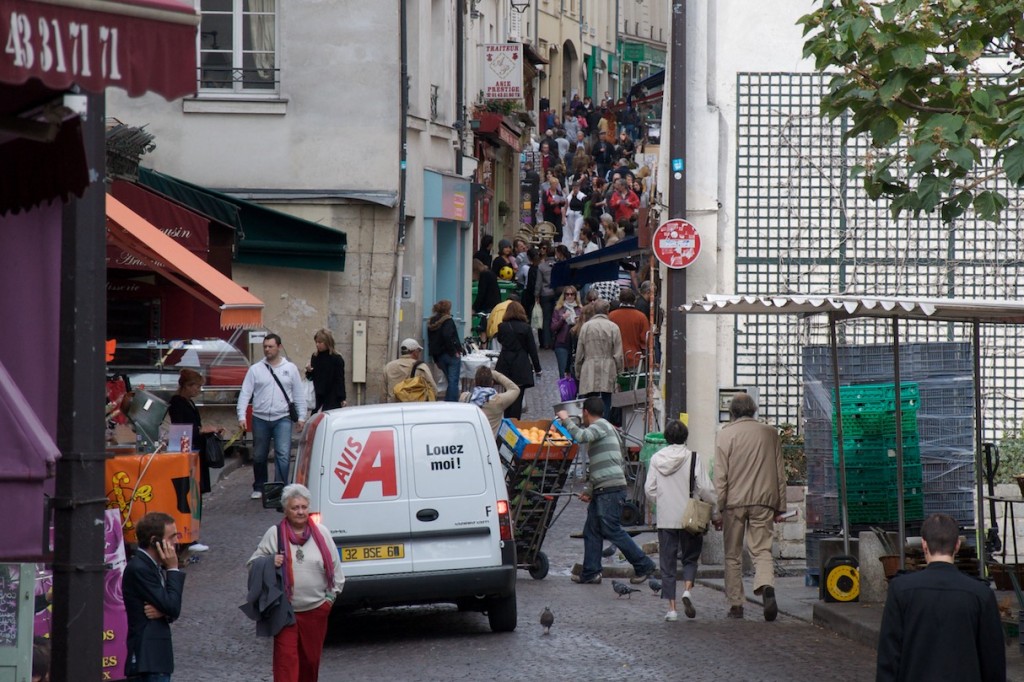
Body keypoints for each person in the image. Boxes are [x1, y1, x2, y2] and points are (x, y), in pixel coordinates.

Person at [876, 513, 1005, 681]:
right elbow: (993, 662)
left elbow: (889, 658)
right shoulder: (981, 594)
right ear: (957, 545)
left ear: (924, 545)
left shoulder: (900, 590)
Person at [248, 484, 344, 682]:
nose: (300, 512)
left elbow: (336, 571)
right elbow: (252, 564)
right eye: (295, 507)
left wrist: (329, 599)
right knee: (286, 665)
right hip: (285, 612)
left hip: (316, 610)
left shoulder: (322, 533)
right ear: (286, 510)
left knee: (310, 662)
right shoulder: (274, 534)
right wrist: (270, 561)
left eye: (303, 507)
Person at [557, 396, 656, 585]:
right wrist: (590, 491)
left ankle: (644, 565)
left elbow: (580, 436)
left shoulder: (600, 426)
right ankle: (591, 572)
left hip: (610, 490)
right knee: (592, 530)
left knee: (612, 530)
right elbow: (601, 466)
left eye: (582, 414)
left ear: (586, 412)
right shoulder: (605, 429)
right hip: (605, 488)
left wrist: (565, 419)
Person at [714, 392, 786, 621]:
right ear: (754, 410)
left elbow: (720, 477)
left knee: (732, 554)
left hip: (734, 502)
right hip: (763, 500)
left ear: (732, 412)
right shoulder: (770, 433)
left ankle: (736, 604)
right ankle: (766, 585)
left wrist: (719, 507)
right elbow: (779, 472)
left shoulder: (725, 435)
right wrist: (780, 506)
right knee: (762, 549)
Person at [644, 420, 719, 621]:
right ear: (685, 437)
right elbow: (705, 489)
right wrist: (715, 511)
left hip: (666, 518)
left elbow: (649, 489)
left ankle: (672, 609)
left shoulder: (656, 458)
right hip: (690, 517)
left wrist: (661, 502)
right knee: (690, 557)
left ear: (666, 438)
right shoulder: (693, 457)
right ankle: (687, 590)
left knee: (667, 564)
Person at [238, 334, 307, 500]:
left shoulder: (290, 369)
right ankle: (260, 486)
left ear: (279, 347)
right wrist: (241, 416)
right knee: (260, 454)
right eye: (265, 347)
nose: (267, 350)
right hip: (260, 417)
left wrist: (301, 417)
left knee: (283, 454)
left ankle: (280, 488)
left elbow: (298, 394)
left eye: (270, 346)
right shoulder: (255, 369)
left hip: (282, 417)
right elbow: (245, 393)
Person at [122, 512, 186, 682]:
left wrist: (164, 612)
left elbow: (169, 607)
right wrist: (173, 568)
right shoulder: (140, 568)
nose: (176, 542)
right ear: (153, 541)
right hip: (148, 659)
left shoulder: (152, 566)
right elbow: (173, 605)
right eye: (172, 537)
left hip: (156, 659)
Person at [167, 368, 222, 551]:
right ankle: (188, 537)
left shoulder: (188, 402)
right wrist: (201, 430)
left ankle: (193, 534)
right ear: (188, 386)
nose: (199, 390)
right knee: (190, 496)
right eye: (197, 386)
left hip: (196, 453)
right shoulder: (178, 403)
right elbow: (182, 429)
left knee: (195, 495)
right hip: (188, 453)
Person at [574, 299, 623, 420]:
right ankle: (604, 422)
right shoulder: (613, 327)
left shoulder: (586, 327)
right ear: (607, 311)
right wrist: (620, 372)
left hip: (589, 365)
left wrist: (578, 370)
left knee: (591, 398)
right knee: (607, 398)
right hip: (608, 365)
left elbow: (579, 352)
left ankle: (592, 422)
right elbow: (618, 354)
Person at [494, 301, 541, 419]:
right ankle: (515, 423)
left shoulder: (502, 326)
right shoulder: (526, 328)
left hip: (505, 364)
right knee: (518, 397)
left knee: (507, 393)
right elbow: (532, 349)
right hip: (521, 364)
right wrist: (537, 368)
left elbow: (500, 340)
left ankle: (507, 421)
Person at [460, 366, 521, 436]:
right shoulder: (498, 401)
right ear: (492, 383)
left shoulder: (464, 397)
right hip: (490, 444)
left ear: (474, 382)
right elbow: (515, 389)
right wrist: (495, 373)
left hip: (471, 442)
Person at [426, 299, 463, 402]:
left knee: (449, 380)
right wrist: (454, 351)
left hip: (439, 355)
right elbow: (447, 336)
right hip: (449, 354)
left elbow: (431, 341)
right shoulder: (448, 321)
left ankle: (448, 401)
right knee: (453, 381)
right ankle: (451, 402)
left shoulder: (431, 322)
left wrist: (435, 358)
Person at [304, 329, 347, 413]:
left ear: (327, 342)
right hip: (317, 394)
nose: (317, 345)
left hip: (332, 396)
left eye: (320, 342)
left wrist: (342, 398)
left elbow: (340, 379)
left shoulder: (336, 358)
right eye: (316, 342)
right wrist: (309, 370)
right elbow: (310, 377)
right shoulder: (315, 356)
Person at [383, 338, 438, 402]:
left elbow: (384, 393)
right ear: (415, 352)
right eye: (419, 350)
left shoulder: (389, 366)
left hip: (394, 407)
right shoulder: (421, 367)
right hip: (413, 407)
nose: (419, 353)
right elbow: (434, 390)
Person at [608, 288, 650, 370]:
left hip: (615, 359)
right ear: (634, 300)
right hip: (635, 359)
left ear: (620, 300)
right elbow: (646, 341)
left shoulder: (611, 316)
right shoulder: (641, 317)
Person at [550, 285, 581, 378]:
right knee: (563, 372)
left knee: (575, 372)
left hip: (576, 344)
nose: (570, 296)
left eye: (572, 294)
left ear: (575, 296)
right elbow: (553, 327)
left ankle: (574, 392)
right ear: (564, 296)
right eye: (567, 294)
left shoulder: (580, 309)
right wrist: (562, 319)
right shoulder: (558, 309)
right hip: (562, 343)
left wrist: (578, 322)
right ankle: (565, 392)